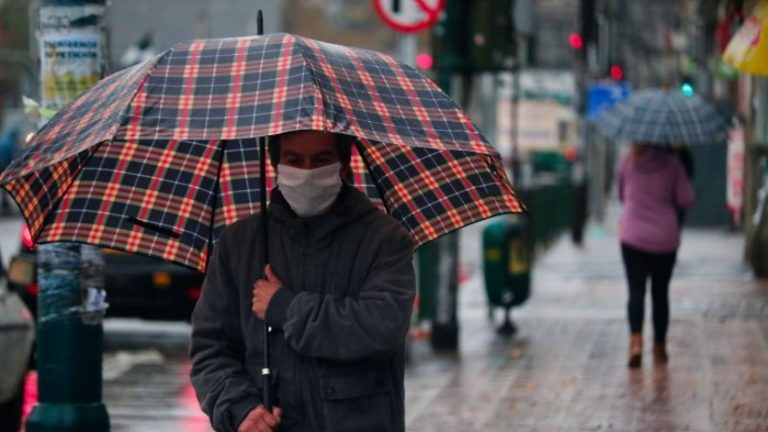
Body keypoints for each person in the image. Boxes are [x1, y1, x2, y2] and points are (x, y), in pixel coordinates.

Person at [190, 130, 416, 432]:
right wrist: (239, 408)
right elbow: (211, 350)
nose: (307, 172)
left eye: (321, 160)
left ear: (343, 164)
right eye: (294, 160)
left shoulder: (385, 240)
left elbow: (382, 326)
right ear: (275, 165)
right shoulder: (240, 243)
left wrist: (285, 307)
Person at [617, 143, 694, 368]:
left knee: (636, 291)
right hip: (664, 239)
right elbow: (686, 199)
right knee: (660, 293)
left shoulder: (627, 162)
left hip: (632, 236)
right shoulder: (673, 165)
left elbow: (622, 195)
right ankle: (659, 347)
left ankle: (636, 343)